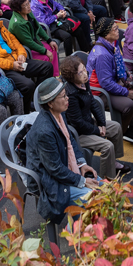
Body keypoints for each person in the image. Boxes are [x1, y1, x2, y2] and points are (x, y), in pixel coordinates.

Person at [26, 76, 104, 239]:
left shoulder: (59, 113)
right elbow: (54, 169)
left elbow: (70, 140)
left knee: (105, 187)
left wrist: (82, 164)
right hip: (48, 181)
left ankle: (78, 228)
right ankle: (77, 236)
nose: (68, 98)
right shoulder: (45, 131)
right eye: (63, 96)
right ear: (50, 103)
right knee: (92, 195)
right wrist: (81, 181)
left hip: (60, 170)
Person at [59, 57, 125, 179]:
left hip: (88, 123)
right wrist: (97, 131)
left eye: (84, 69)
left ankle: (113, 162)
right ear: (72, 77)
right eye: (80, 72)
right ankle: (106, 180)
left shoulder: (83, 82)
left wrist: (102, 124)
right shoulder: (71, 94)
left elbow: (93, 103)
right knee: (107, 146)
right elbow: (77, 123)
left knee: (115, 127)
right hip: (78, 133)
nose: (85, 74)